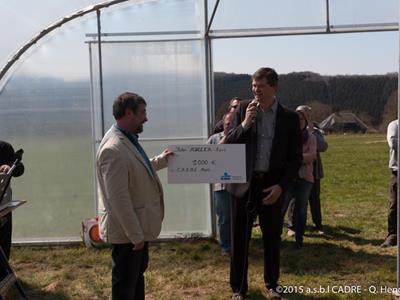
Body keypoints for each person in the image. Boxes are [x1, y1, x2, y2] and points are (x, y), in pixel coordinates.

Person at [224, 67, 302, 299]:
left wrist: (281, 187)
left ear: (274, 87)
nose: (256, 91)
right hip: (243, 184)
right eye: (253, 86)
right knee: (239, 239)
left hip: (272, 186)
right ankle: (238, 289)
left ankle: (272, 285)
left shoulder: (289, 118)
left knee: (271, 238)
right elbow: (229, 144)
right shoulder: (243, 110)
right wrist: (246, 123)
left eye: (261, 86)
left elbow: (295, 159)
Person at [96, 92, 172, 300]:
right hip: (128, 234)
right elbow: (117, 198)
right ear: (128, 113)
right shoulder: (113, 149)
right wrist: (135, 235)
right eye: (142, 113)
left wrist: (161, 160)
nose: (146, 118)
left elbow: (137, 168)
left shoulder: (125, 140)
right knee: (125, 288)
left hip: (135, 230)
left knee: (135, 281)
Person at [286, 105, 328, 236]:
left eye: (306, 115)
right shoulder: (290, 130)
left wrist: (312, 131)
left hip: (313, 171)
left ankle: (317, 224)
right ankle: (292, 226)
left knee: (314, 198)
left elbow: (323, 147)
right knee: (293, 200)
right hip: (294, 172)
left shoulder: (315, 131)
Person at [281, 108, 316, 248]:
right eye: (296, 119)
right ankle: (276, 238)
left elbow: (312, 156)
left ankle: (299, 239)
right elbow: (284, 156)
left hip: (305, 179)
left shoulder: (311, 137)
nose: (298, 122)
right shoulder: (286, 135)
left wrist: (295, 158)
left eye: (301, 119)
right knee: (282, 208)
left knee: (301, 210)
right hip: (288, 179)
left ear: (305, 121)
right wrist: (300, 157)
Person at [207, 112, 234, 256]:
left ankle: (238, 244)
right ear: (223, 124)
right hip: (221, 186)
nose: (229, 125)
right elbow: (205, 158)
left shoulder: (241, 137)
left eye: (232, 123)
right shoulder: (213, 139)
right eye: (227, 123)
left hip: (239, 186)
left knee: (237, 217)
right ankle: (225, 247)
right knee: (224, 218)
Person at [0, 141, 24, 262]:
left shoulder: (4, 148)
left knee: (3, 243)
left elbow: (20, 168)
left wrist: (10, 167)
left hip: (2, 205)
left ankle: (3, 275)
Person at [381, 119, 398, 248]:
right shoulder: (394, 125)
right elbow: (393, 143)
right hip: (398, 171)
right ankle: (392, 235)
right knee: (395, 204)